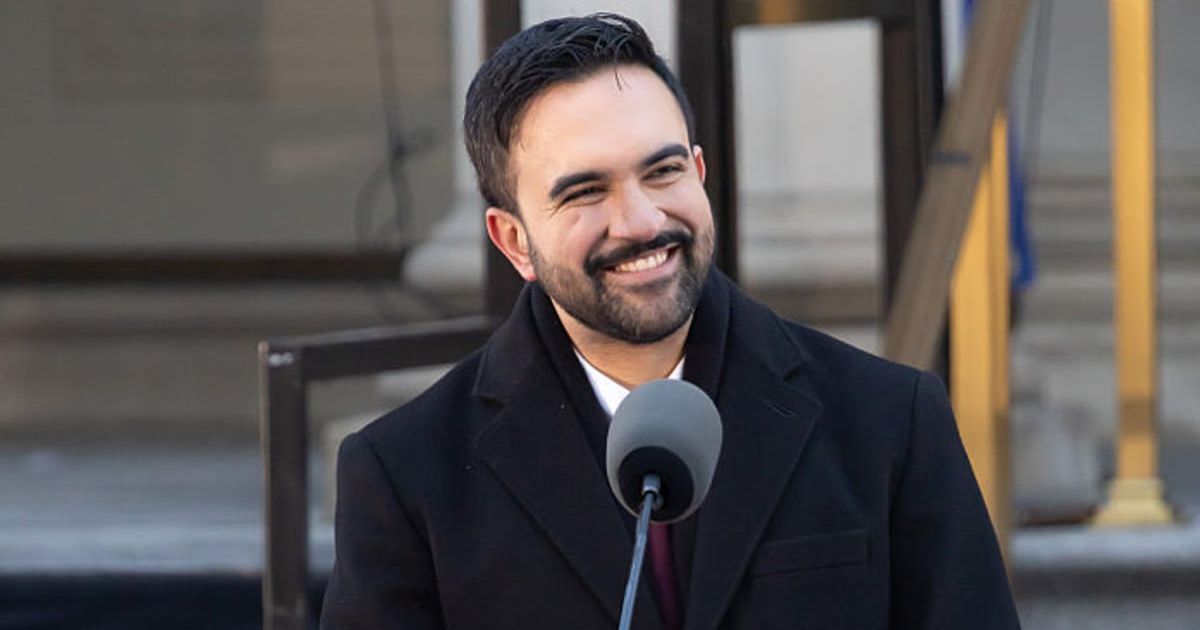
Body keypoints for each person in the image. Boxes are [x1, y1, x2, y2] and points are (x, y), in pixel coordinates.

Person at [321, 13, 1020, 630]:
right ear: (513, 241)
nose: (643, 221)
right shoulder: (406, 475)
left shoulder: (890, 422)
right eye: (585, 191)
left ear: (699, 171)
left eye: (661, 173)